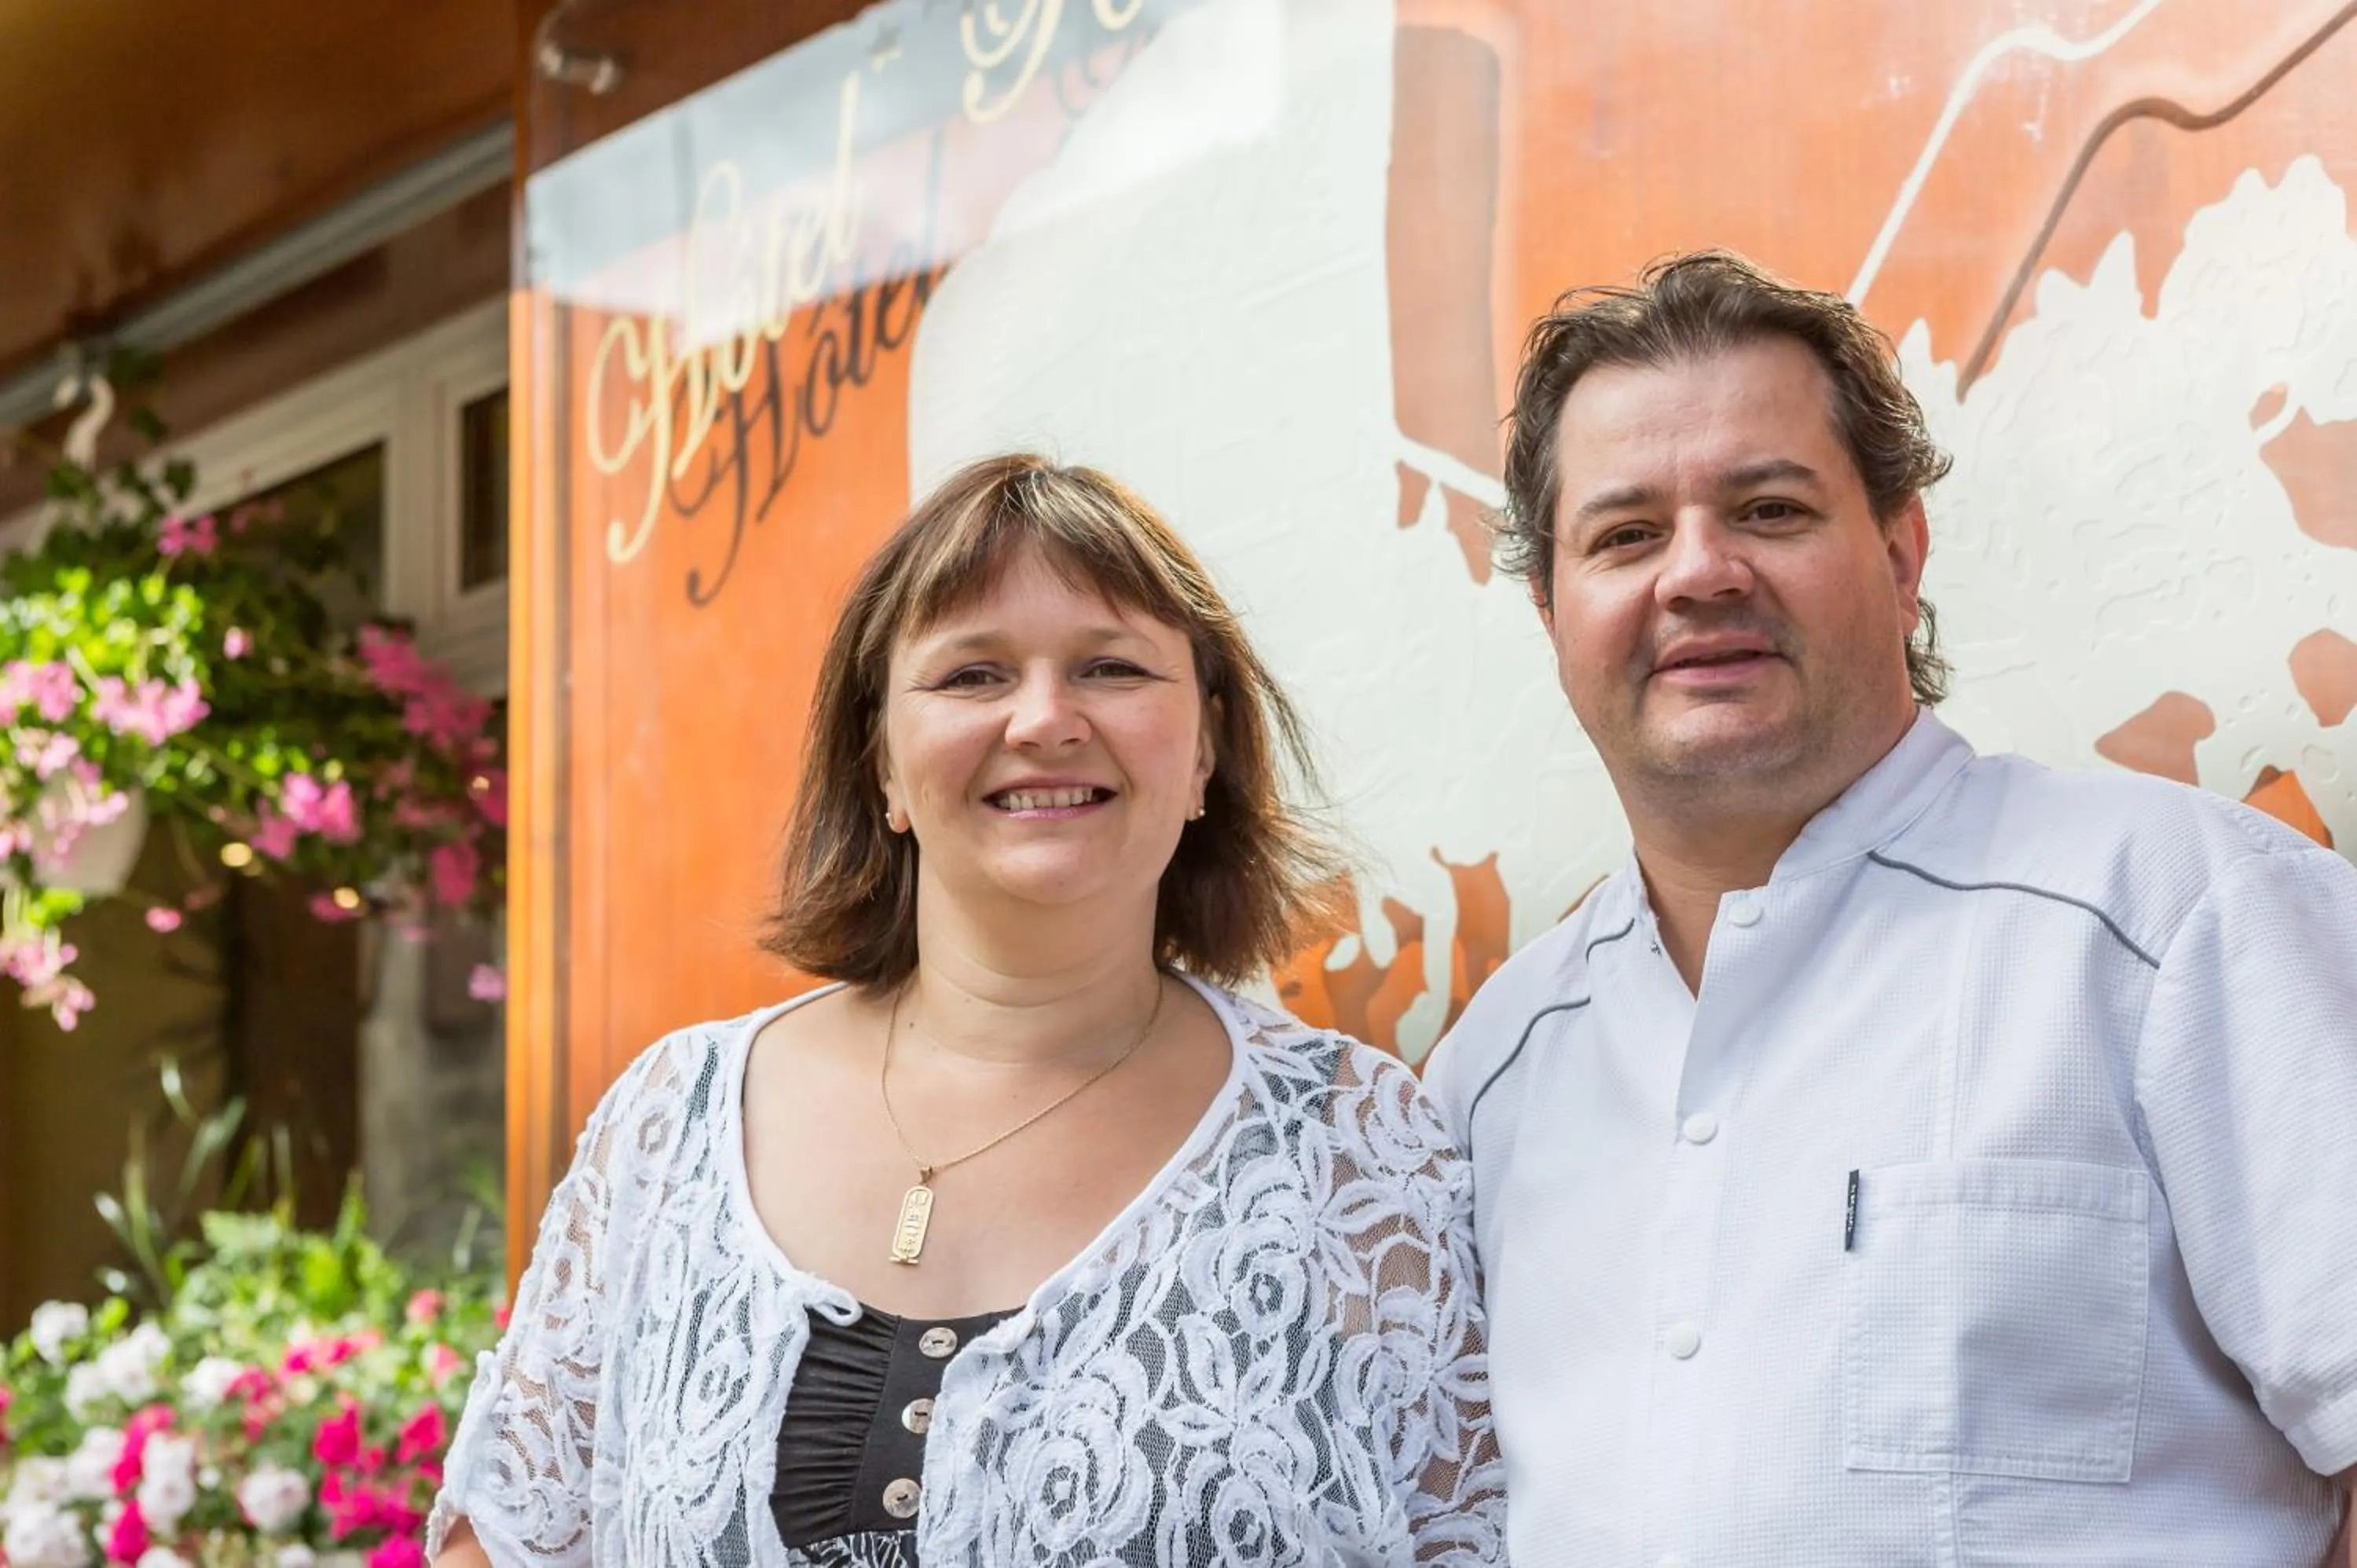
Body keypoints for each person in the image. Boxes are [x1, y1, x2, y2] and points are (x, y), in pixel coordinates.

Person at [1424, 250, 2357, 1565]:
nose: (1698, 574)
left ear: (1901, 550)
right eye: (1626, 535)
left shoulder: (2174, 919)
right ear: (1550, 606)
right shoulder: (1485, 1082)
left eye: (1769, 510)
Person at [427, 454, 1505, 1566]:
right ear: (881, 762)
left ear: (1208, 751)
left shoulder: (1354, 1149)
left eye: (1112, 667)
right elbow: (501, 1542)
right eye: (973, 676)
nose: (1044, 720)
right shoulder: (673, 1124)